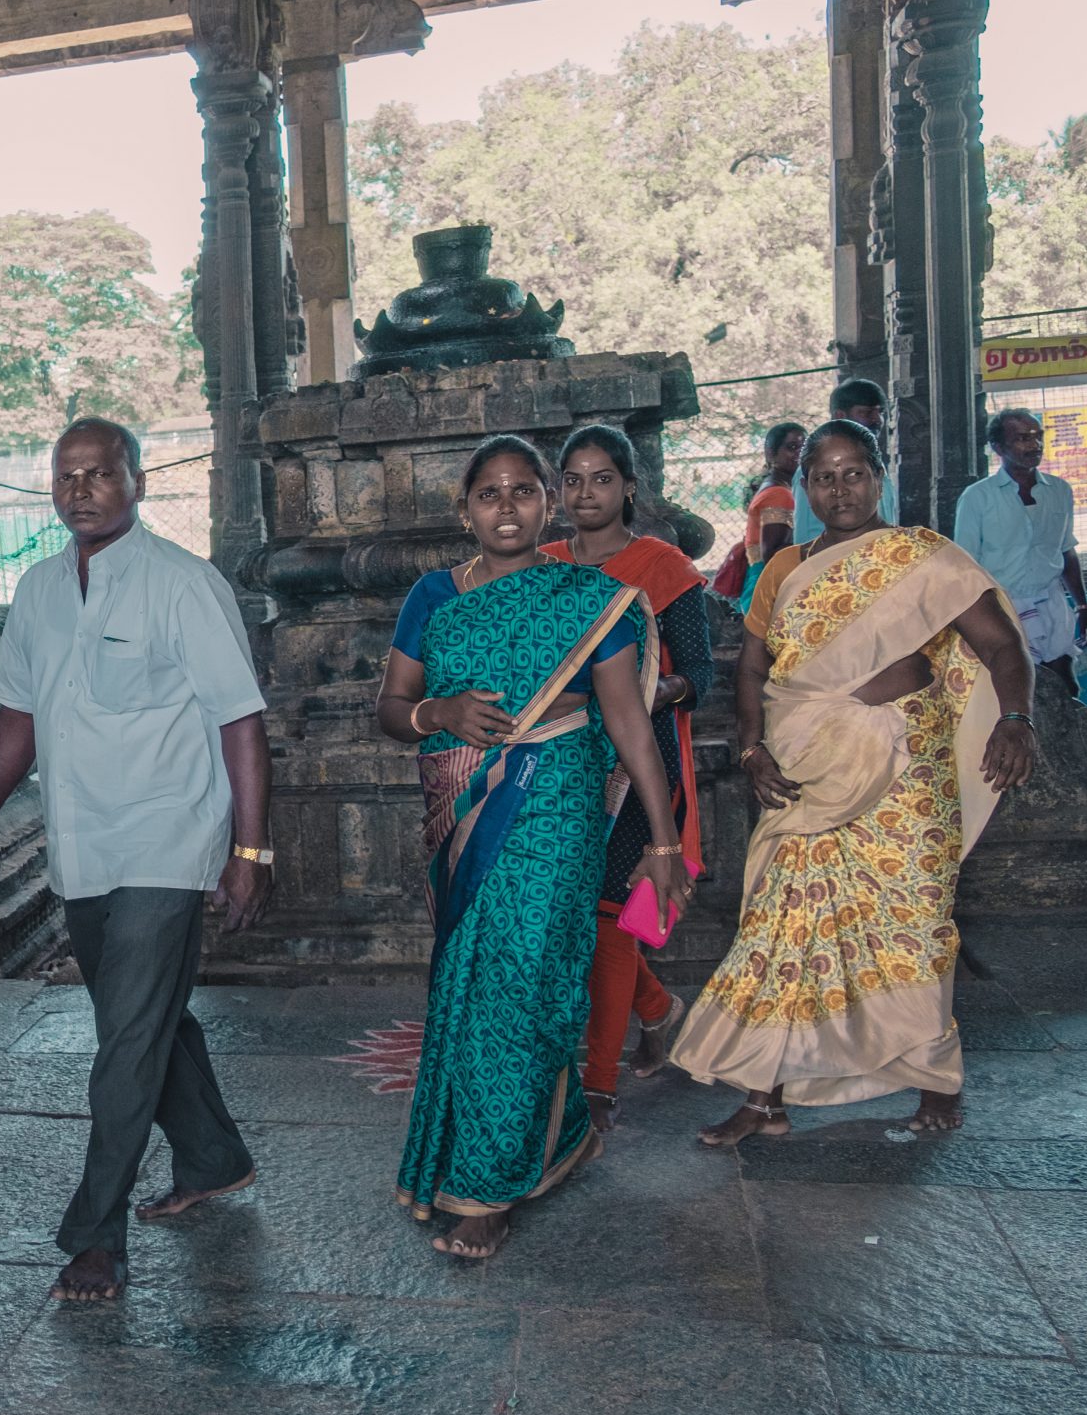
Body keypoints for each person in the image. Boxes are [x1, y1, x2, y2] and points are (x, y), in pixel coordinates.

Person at [0, 417, 271, 1304]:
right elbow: (19, 718)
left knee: (124, 1034)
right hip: (82, 840)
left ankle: (96, 1234)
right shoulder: (41, 592)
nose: (81, 488)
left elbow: (241, 719)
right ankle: (213, 1154)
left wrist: (249, 845)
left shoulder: (183, 585)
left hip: (169, 832)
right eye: (67, 475)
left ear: (137, 481)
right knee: (146, 1014)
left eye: (101, 472)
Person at [675, 420, 1037, 1143]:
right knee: (780, 927)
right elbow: (753, 668)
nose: (840, 489)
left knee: (912, 925)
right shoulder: (784, 568)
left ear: (879, 477)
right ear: (805, 485)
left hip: (905, 775)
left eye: (854, 473)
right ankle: (764, 1096)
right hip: (807, 772)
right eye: (824, 476)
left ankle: (934, 1076)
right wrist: (751, 750)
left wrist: (1017, 718)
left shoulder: (922, 557)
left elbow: (1000, 646)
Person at [373, 436, 691, 1260]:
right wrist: (437, 714)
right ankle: (561, 1132)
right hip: (463, 814)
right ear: (464, 509)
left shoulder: (594, 597)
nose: (506, 506)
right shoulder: (433, 596)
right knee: (471, 982)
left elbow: (629, 724)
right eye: (489, 494)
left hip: (557, 812)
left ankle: (492, 1185)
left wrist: (661, 840)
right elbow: (392, 704)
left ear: (548, 504)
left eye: (523, 491)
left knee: (524, 979)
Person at [542, 425, 715, 1131]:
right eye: (574, 479)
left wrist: (644, 690)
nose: (588, 492)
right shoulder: (542, 563)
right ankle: (659, 1009)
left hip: (639, 760)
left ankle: (600, 1086)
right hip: (561, 759)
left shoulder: (663, 566)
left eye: (602, 478)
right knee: (572, 914)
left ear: (629, 486)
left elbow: (699, 674)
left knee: (612, 919)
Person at [954, 406, 1087, 697]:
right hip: (1004, 608)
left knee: (1065, 687)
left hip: (1051, 603)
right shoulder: (977, 498)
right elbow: (965, 567)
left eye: (1037, 436)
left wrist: (1082, 607)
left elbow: (1066, 552)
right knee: (1017, 692)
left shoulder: (1059, 491)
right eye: (1022, 438)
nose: (1034, 445)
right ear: (998, 447)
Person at [790, 378, 899, 545]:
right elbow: (806, 537)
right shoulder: (814, 471)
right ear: (840, 415)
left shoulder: (875, 466)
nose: (877, 420)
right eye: (867, 412)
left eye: (881, 412)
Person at [720, 421, 806, 614]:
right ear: (771, 453)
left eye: (804, 447)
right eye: (792, 447)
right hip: (769, 585)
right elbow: (773, 554)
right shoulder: (779, 494)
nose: (799, 454)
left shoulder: (779, 486)